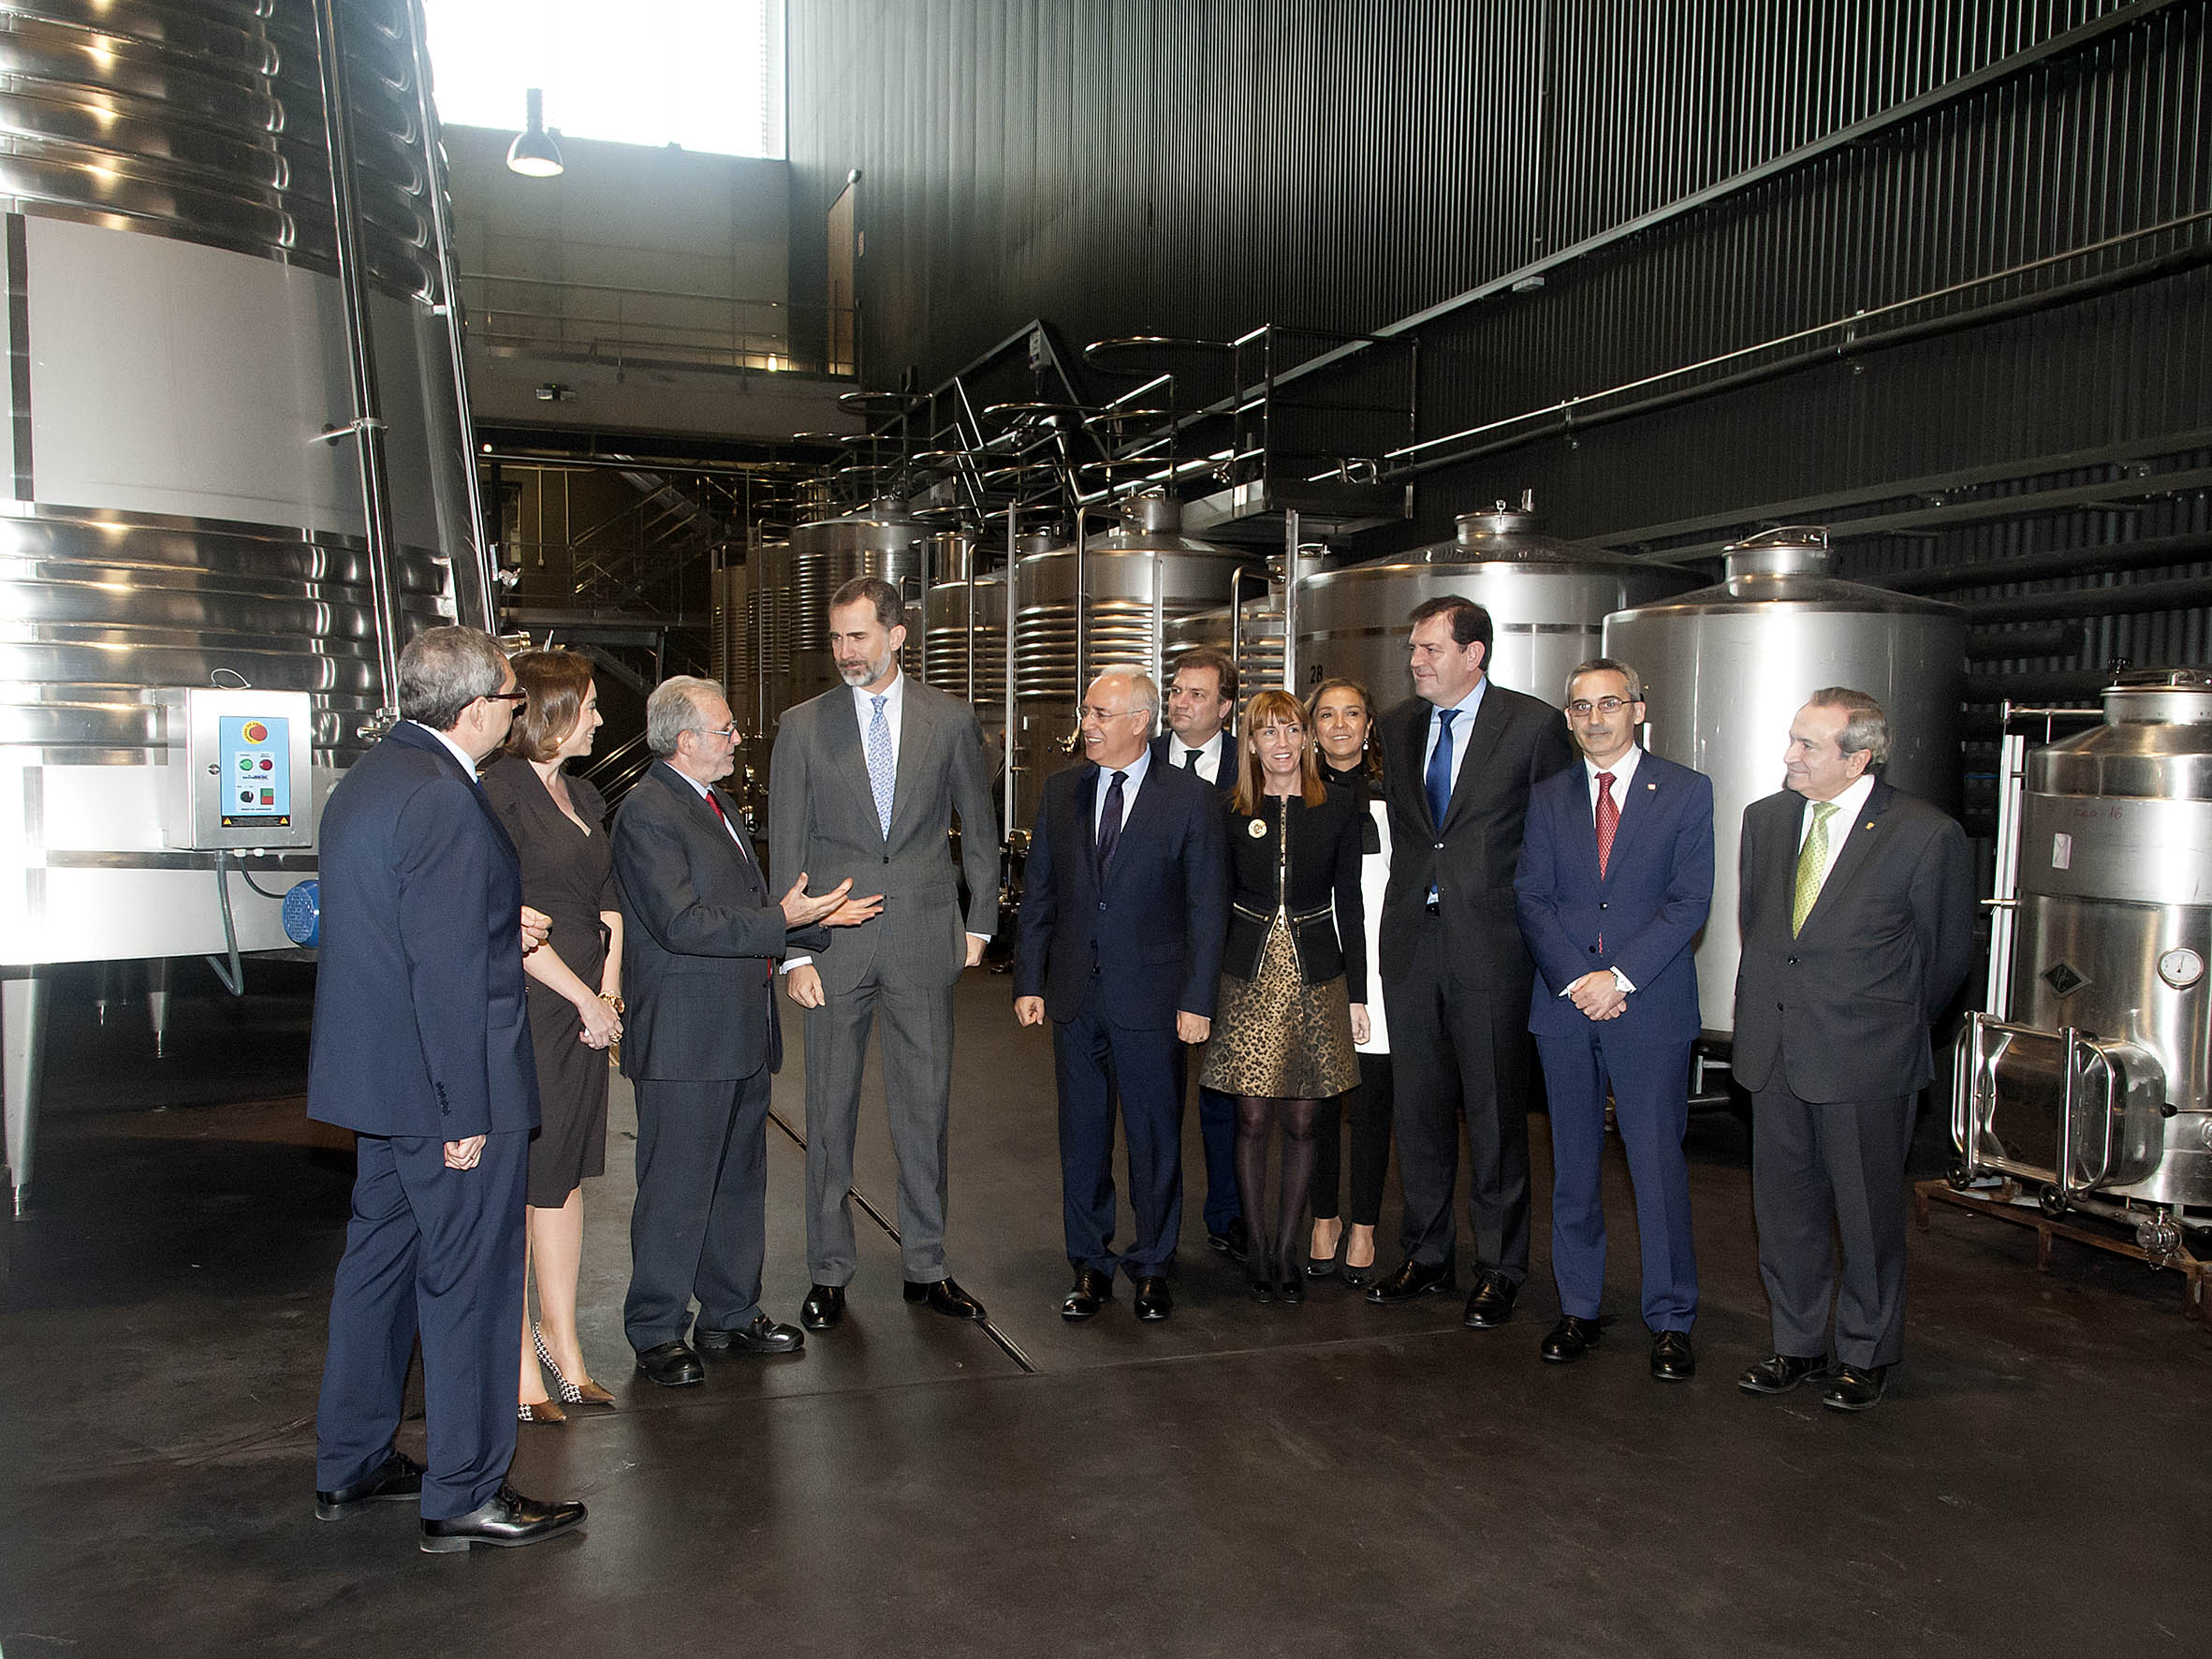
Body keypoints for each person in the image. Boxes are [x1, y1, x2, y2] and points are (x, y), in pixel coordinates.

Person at [310, 624, 586, 1553]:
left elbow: (400, 926)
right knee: (470, 1281)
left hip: (379, 1085)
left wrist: (486, 920)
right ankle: (466, 1486)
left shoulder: (372, 780)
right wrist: (462, 1108)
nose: (516, 707)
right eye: (510, 696)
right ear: (474, 709)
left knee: (379, 1263)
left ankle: (351, 1456)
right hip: (444, 1089)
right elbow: (440, 973)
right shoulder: (441, 799)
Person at [613, 677, 878, 1387]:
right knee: (675, 1190)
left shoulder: (715, 803)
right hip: (683, 1041)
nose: (736, 740)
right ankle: (656, 1329)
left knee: (736, 1183)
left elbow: (745, 910)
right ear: (686, 738)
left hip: (734, 1031)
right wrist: (783, 921)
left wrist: (810, 923)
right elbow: (681, 923)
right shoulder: (647, 812)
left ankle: (730, 1314)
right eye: (726, 729)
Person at [770, 576, 1001, 1329]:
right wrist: (795, 953)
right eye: (836, 638)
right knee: (827, 1113)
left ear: (897, 635)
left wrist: (979, 925)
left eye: (859, 636)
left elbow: (981, 825)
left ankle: (925, 1266)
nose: (845, 652)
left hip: (923, 938)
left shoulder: (951, 720)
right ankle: (829, 1271)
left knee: (923, 1110)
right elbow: (787, 847)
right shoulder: (802, 727)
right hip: (832, 943)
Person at [1733, 689, 1972, 1413]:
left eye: (1807, 745)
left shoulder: (1925, 834)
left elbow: (1945, 959)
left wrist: (1882, 1026)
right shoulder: (1766, 820)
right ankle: (1796, 1344)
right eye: (1791, 739)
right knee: (1784, 1211)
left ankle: (1865, 1353)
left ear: (1857, 757)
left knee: (1867, 1216)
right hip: (1773, 1049)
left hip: (1866, 1056)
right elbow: (1762, 930)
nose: (1788, 756)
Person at [1368, 595, 1577, 1328]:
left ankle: (1499, 1266)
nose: (1415, 661)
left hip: (1492, 946)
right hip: (1412, 946)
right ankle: (1426, 1256)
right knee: (1417, 1109)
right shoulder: (1395, 727)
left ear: (1473, 653)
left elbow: (1557, 841)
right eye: (1414, 649)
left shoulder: (1531, 726)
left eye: (1429, 649)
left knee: (1492, 1113)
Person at [1515, 658, 1713, 1380]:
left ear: (1637, 709)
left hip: (1647, 1006)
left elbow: (1688, 903)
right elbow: (1531, 899)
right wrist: (1578, 980)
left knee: (1656, 1164)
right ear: (1566, 718)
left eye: (1607, 703)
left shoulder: (1686, 791)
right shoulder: (1546, 797)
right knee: (1572, 1166)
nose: (1593, 718)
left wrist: (1618, 977)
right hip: (1564, 1009)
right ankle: (1578, 1307)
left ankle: (1670, 1319)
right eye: (1578, 707)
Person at [1014, 668, 1226, 1321]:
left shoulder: (1189, 798)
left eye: (1100, 713)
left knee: (1154, 1136)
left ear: (1140, 721)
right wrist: (1029, 980)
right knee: (1081, 1136)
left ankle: (1153, 1263)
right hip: (1075, 994)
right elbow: (1039, 896)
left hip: (1153, 999)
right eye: (1086, 712)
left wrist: (1196, 1000)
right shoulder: (1059, 793)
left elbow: (1206, 907)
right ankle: (1089, 1263)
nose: (1088, 724)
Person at [480, 650, 624, 1424]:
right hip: (531, 1008)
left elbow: (608, 904)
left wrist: (610, 991)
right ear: (550, 712)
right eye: (591, 705)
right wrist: (582, 998)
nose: (601, 717)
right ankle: (515, 1366)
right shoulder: (496, 794)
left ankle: (562, 1341)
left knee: (563, 1178)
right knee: (520, 1184)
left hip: (583, 1013)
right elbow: (501, 920)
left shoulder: (584, 793)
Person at [1201, 689, 1370, 1303]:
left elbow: (1346, 899)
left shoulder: (1338, 808)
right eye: (1266, 732)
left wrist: (1357, 991)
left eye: (1290, 730)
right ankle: (1255, 1251)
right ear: (1249, 742)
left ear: (1305, 739)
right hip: (1243, 977)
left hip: (1314, 975)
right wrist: (1202, 989)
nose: (1279, 743)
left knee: (1303, 1120)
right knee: (1250, 1118)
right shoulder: (1226, 810)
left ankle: (1285, 1252)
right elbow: (1213, 901)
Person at [1152, 647, 1247, 1262]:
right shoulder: (1140, 755)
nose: (1180, 703)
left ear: (1225, 707)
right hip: (1153, 955)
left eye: (1195, 694)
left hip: (1230, 951)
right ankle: (1155, 1226)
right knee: (1154, 1096)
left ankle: (1229, 1216)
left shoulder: (1252, 765)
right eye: (1176, 692)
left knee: (1224, 1094)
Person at [1305, 677, 1393, 1285]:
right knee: (1314, 1105)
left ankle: (1363, 1224)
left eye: (1352, 714)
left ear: (1369, 725)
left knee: (1371, 1104)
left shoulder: (1397, 798)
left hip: (1383, 971)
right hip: (1314, 962)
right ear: (1311, 728)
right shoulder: (1296, 798)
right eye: (1327, 715)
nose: (1339, 725)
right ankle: (1323, 1218)